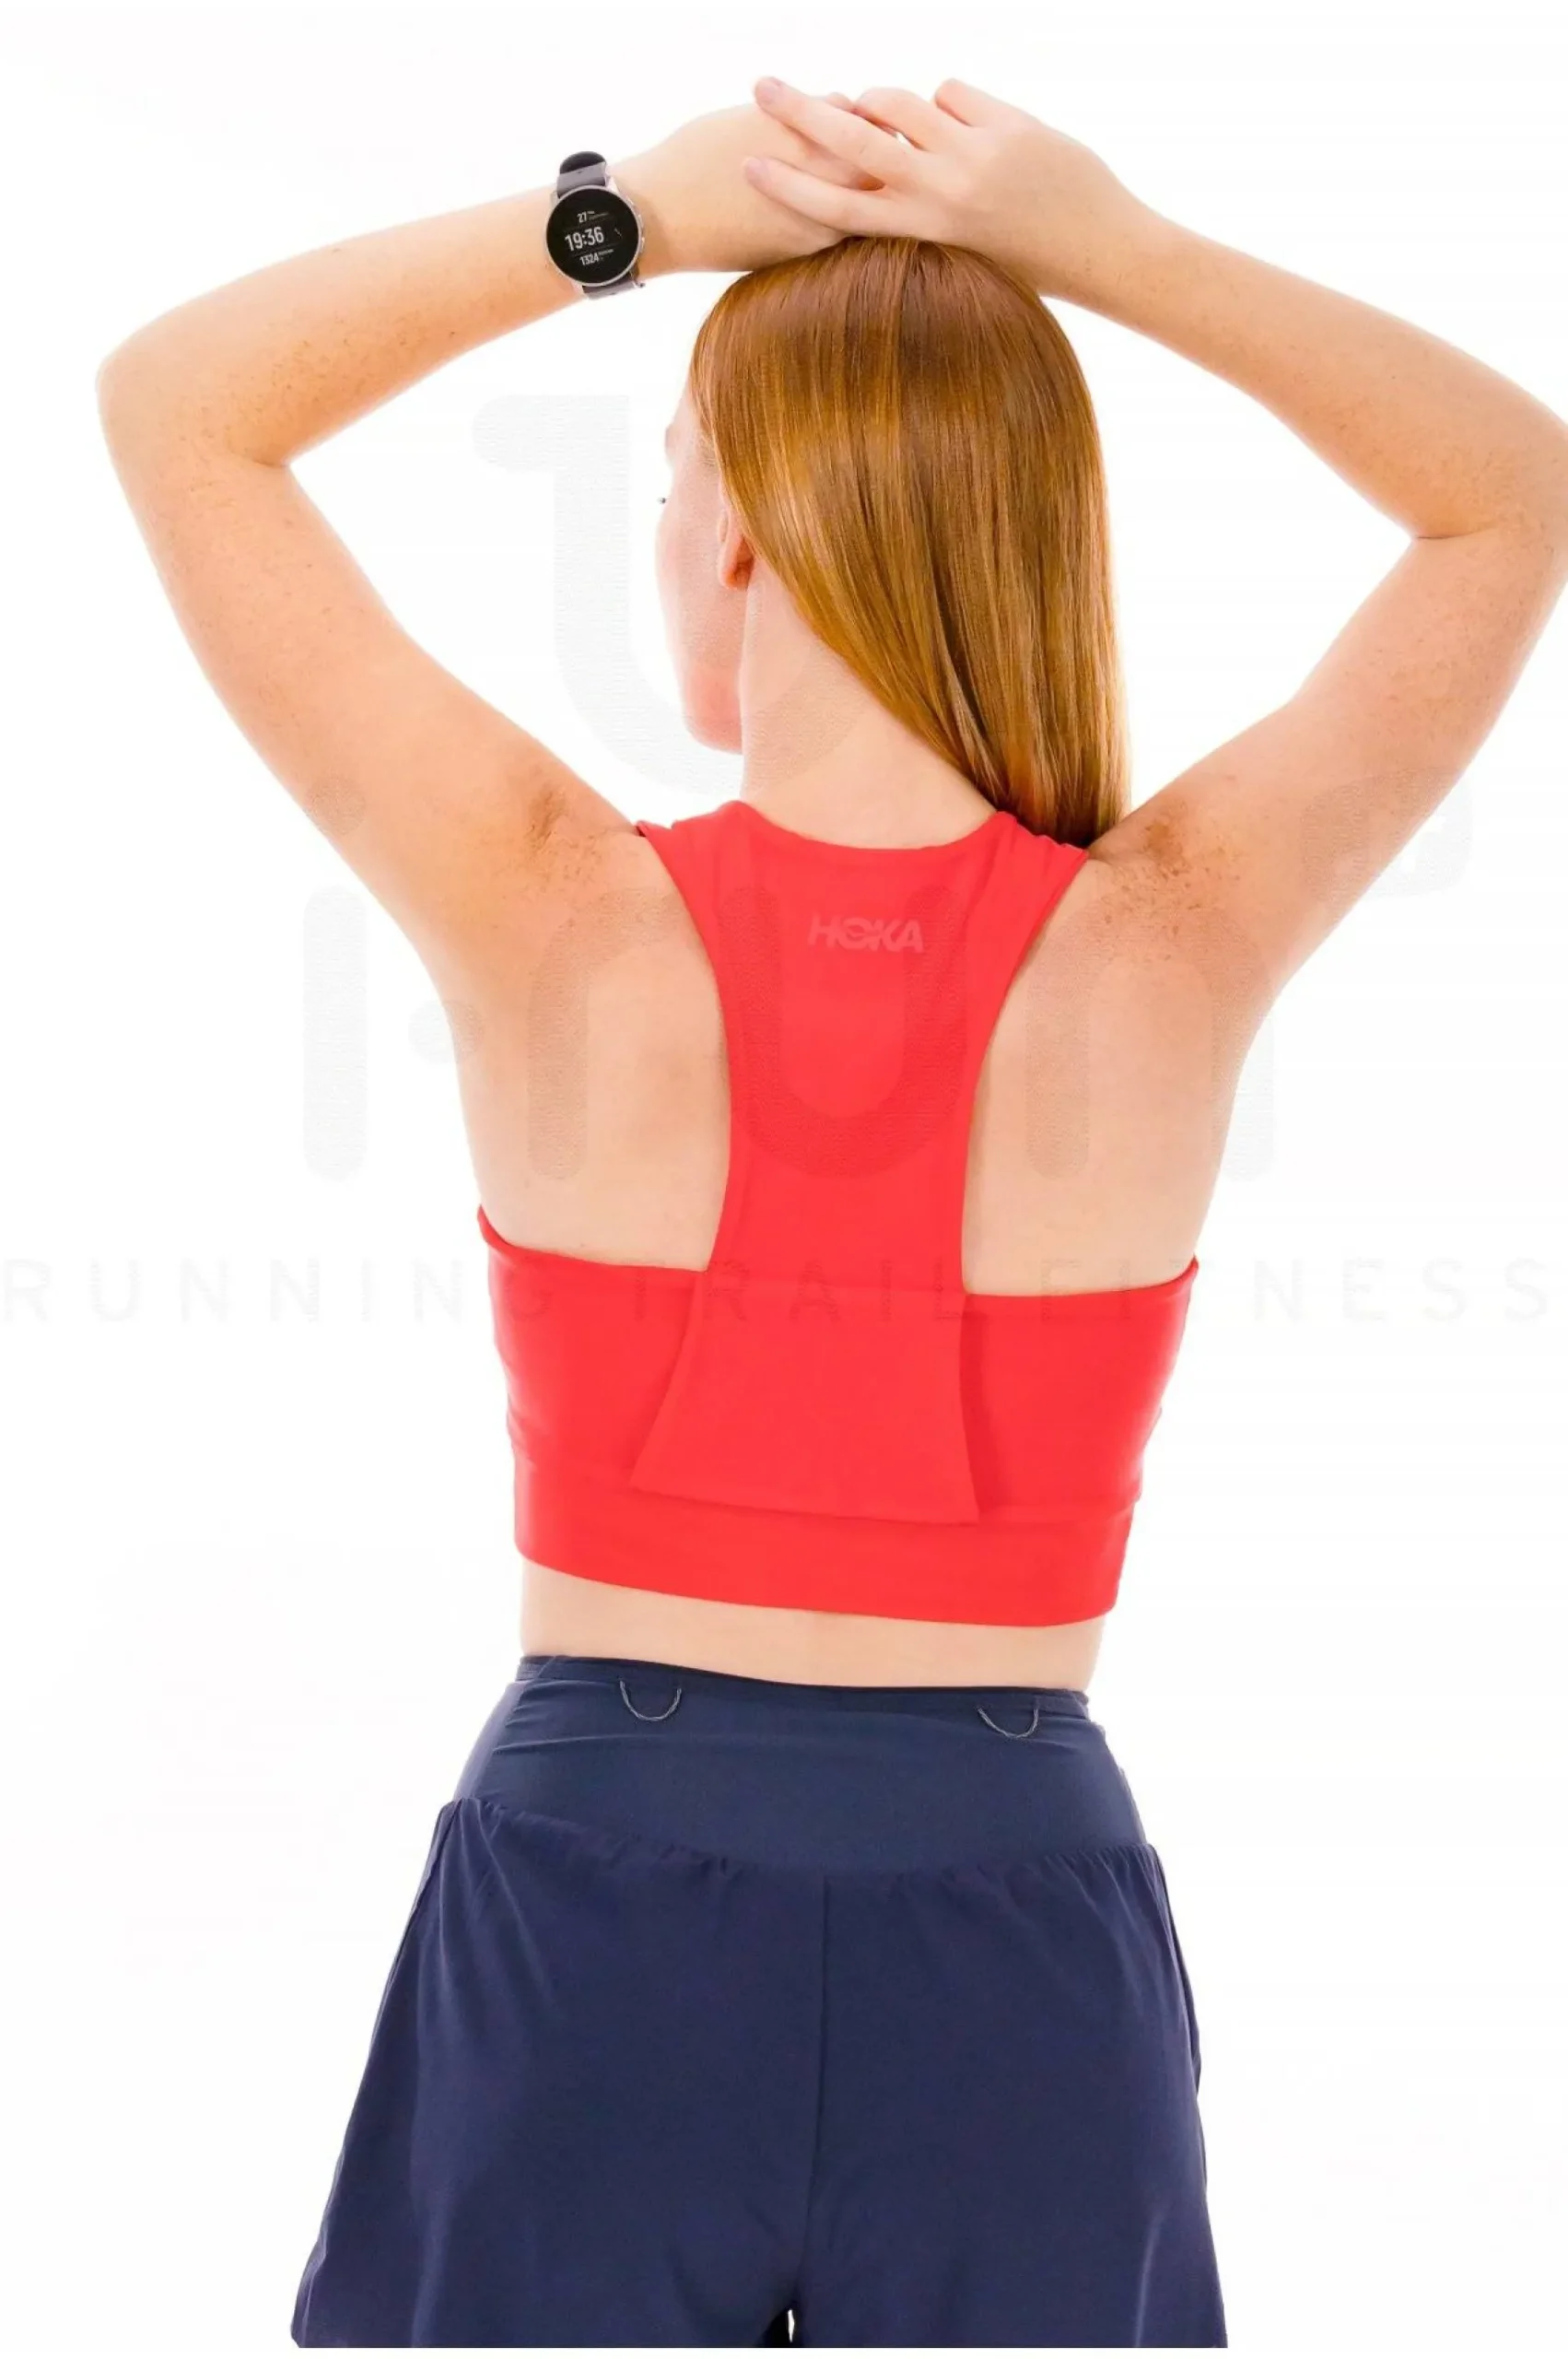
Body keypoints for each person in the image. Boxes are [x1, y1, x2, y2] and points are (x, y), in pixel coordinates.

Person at [97, 74, 1568, 2350]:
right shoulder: (1161, 944)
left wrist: (625, 221)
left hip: (593, 1919)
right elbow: (1507, 497)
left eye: (667, 481)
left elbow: (180, 406)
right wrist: (1107, 248)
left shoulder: (551, 911)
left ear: (743, 538)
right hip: (1015, 1918)